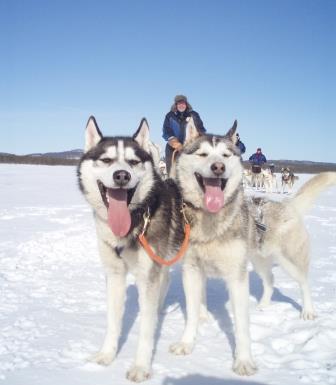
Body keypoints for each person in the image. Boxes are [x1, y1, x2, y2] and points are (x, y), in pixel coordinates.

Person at [162, 95, 206, 174]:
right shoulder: (170, 115)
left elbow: (201, 129)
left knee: (191, 172)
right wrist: (174, 141)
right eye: (179, 103)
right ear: (176, 105)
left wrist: (196, 140)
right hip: (173, 148)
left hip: (190, 146)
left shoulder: (194, 114)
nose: (181, 105)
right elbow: (166, 130)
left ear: (186, 104)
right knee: (172, 172)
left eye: (183, 103)